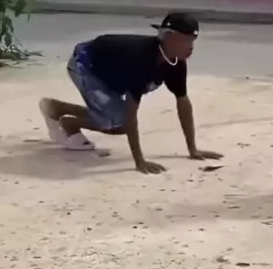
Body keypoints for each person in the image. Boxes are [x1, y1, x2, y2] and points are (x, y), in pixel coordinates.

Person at [39, 13, 222, 174]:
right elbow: (131, 112)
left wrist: (192, 149)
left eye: (193, 41)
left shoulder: (176, 63)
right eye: (186, 40)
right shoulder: (142, 59)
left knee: (119, 123)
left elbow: (182, 101)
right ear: (168, 37)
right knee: (117, 120)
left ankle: (60, 112)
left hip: (111, 72)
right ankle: (64, 118)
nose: (191, 47)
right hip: (85, 64)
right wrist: (139, 161)